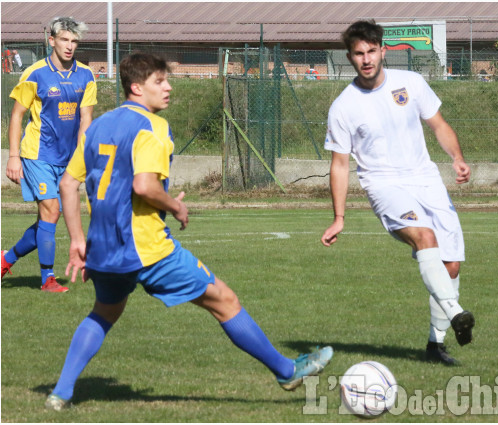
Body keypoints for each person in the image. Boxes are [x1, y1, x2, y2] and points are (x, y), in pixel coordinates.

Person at [45, 52, 333, 411]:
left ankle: (61, 393)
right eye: (159, 82)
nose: (168, 88)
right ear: (136, 87)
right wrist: (175, 205)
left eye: (167, 80)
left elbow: (68, 183)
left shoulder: (98, 126)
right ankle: (287, 370)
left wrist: (76, 240)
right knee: (225, 301)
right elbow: (144, 186)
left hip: (104, 246)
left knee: (104, 313)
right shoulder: (152, 127)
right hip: (146, 247)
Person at [320, 20, 474, 366]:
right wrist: (339, 217)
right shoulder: (343, 106)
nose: (366, 59)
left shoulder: (412, 83)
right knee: (424, 237)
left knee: (451, 265)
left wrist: (458, 158)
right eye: (358, 54)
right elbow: (340, 165)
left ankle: (436, 346)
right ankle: (456, 312)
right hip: (383, 184)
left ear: (382, 51)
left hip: (426, 178)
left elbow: (438, 124)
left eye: (371, 51)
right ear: (350, 57)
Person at [1, 17, 97, 292]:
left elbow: (85, 120)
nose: (69, 46)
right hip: (37, 153)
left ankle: (6, 259)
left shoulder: (86, 76)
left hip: (68, 159)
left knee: (49, 217)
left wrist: (83, 158)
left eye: (74, 41)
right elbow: (17, 116)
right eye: (64, 40)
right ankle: (48, 280)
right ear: (51, 40)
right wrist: (13, 157)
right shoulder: (35, 73)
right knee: (52, 210)